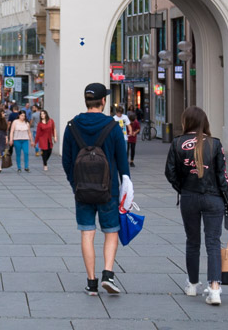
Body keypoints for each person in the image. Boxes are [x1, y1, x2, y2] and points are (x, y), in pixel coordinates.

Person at [165, 106, 228, 306]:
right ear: (204, 122)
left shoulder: (177, 143)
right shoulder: (215, 144)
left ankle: (192, 284)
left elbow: (169, 172)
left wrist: (182, 187)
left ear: (186, 122)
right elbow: (222, 177)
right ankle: (215, 288)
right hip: (213, 198)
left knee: (192, 241)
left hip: (189, 197)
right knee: (213, 242)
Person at [62, 82, 129, 295]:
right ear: (103, 101)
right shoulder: (113, 126)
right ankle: (107, 274)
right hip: (108, 189)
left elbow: (67, 160)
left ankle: (91, 282)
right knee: (111, 232)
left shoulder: (72, 126)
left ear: (86, 101)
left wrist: (75, 184)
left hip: (82, 189)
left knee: (87, 233)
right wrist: (125, 184)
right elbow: (122, 161)